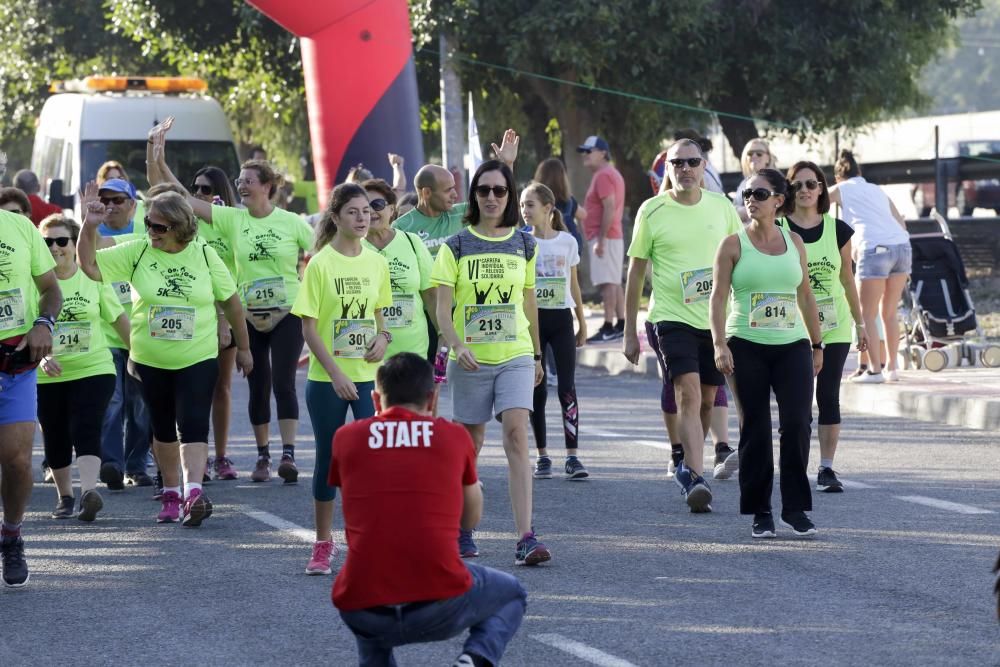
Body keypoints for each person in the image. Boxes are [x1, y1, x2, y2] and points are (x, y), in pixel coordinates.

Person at [331, 353, 527, 667]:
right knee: (512, 593)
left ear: (375, 400)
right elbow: (470, 519)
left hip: (364, 607)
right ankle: (474, 660)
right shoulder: (453, 437)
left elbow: (360, 505)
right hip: (438, 603)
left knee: (367, 604)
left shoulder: (346, 439)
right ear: (432, 399)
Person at [149, 118, 313, 484]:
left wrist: (312, 295)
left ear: (267, 187)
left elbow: (320, 253)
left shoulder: (292, 222)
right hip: (250, 315)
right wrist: (159, 159)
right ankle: (263, 456)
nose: (240, 184)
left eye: (248, 180)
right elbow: (183, 197)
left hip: (287, 312)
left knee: (284, 382)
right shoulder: (232, 220)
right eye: (238, 179)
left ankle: (288, 454)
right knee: (257, 382)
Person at [77, 191, 252, 526]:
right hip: (150, 359)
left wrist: (243, 348)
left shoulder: (204, 254)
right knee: (163, 428)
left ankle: (194, 493)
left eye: (157, 226)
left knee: (194, 425)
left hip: (197, 355)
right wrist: (89, 226)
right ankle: (171, 492)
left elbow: (231, 303)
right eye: (148, 224)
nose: (151, 230)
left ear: (178, 226)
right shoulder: (139, 249)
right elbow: (90, 267)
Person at [432, 159, 550, 566]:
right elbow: (442, 310)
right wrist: (455, 345)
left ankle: (525, 537)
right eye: (484, 190)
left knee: (517, 433)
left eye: (500, 190)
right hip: (470, 361)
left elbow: (529, 302)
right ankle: (464, 527)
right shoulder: (456, 246)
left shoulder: (525, 244)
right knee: (471, 447)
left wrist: (536, 353)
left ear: (511, 195)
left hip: (515, 354)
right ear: (474, 196)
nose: (492, 197)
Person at [623, 139, 742, 513]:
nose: (686, 169)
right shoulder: (652, 210)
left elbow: (742, 257)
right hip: (670, 317)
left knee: (708, 398)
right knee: (688, 394)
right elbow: (636, 271)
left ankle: (689, 466)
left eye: (693, 162)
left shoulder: (722, 208)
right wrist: (629, 331)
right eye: (678, 163)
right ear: (668, 168)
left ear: (704, 166)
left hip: (714, 321)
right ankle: (693, 474)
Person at [710, 168, 824, 539]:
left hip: (792, 345)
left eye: (759, 194)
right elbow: (717, 297)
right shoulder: (732, 244)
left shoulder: (795, 243)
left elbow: (806, 295)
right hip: (746, 343)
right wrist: (719, 343)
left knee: (796, 423)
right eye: (746, 194)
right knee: (755, 427)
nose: (751, 200)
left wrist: (817, 343)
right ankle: (761, 510)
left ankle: (794, 508)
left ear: (778, 200)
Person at [291, 182, 392, 575]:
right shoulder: (320, 263)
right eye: (353, 212)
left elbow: (381, 315)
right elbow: (309, 329)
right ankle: (322, 543)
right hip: (327, 380)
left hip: (367, 377)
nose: (363, 217)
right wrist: (334, 374)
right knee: (329, 460)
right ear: (335, 218)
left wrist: (384, 338)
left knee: (370, 460)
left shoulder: (376, 262)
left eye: (367, 211)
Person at [782, 161, 869, 493]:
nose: (804, 190)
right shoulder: (776, 228)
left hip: (833, 326)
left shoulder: (838, 230)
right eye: (797, 185)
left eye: (811, 183)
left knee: (828, 395)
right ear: (789, 191)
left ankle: (827, 468)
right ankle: (795, 466)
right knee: (798, 402)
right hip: (791, 328)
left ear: (822, 189)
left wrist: (861, 324)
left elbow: (847, 279)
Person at [393, 131, 518, 360]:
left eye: (454, 188)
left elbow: (501, 202)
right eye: (447, 190)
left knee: (465, 374)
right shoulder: (402, 227)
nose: (454, 194)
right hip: (425, 318)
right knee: (433, 381)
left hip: (463, 313)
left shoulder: (461, 213)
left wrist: (507, 164)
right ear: (426, 193)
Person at [36, 215, 129, 521]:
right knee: (55, 431)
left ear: (75, 244)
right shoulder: (32, 283)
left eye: (61, 241)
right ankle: (65, 497)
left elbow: (119, 320)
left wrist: (139, 356)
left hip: (94, 367)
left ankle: (89, 492)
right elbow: (22, 328)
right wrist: (40, 357)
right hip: (47, 372)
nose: (54, 248)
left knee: (86, 424)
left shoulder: (92, 278)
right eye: (47, 242)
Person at [0, 208, 63, 587]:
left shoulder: (19, 226)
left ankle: (11, 534)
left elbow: (51, 289)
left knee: (19, 460)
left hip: (15, 363)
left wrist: (44, 322)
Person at [520, 182, 589, 480]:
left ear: (548, 208)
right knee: (537, 388)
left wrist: (582, 322)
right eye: (522, 205)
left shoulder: (567, 242)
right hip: (532, 321)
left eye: (530, 205)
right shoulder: (522, 242)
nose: (525, 211)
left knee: (566, 388)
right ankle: (542, 455)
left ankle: (573, 457)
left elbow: (573, 284)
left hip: (561, 319)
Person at [828, 150, 911, 384]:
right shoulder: (877, 189)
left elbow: (816, 202)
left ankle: (874, 370)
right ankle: (892, 368)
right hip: (902, 247)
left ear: (837, 177)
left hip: (874, 249)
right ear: (860, 172)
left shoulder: (841, 189)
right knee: (889, 312)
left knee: (865, 314)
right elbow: (901, 222)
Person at [95, 177, 153, 490]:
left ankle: (136, 465)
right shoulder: (89, 234)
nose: (111, 206)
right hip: (107, 333)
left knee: (141, 406)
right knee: (111, 401)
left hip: (143, 334)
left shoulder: (147, 234)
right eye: (105, 200)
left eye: (118, 200)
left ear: (133, 205)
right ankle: (111, 464)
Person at [185, 167, 241, 480]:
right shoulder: (189, 225)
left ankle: (220, 456)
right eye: (196, 188)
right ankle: (198, 457)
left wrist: (225, 320)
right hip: (196, 316)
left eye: (205, 189)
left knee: (222, 387)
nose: (199, 194)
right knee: (195, 389)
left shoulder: (232, 223)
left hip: (228, 313)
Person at [361, 179, 438, 361]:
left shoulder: (413, 242)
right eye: (364, 207)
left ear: (392, 209)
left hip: (413, 352)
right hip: (368, 353)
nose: (371, 211)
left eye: (377, 205)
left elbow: (431, 296)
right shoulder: (353, 249)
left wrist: (443, 334)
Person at [577, 135, 626, 343]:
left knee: (608, 283)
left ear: (602, 153)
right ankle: (620, 324)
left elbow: (609, 207)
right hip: (609, 236)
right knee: (613, 280)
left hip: (605, 236)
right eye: (584, 152)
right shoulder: (608, 173)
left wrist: (601, 239)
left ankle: (608, 326)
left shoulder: (604, 175)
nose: (585, 156)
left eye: (589, 151)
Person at [533, 158, 585, 252]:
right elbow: (583, 215)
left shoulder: (536, 200)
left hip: (541, 247)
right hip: (564, 251)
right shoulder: (568, 201)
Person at [733, 138, 777, 223]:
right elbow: (733, 208)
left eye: (759, 154)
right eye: (750, 153)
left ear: (768, 158)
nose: (754, 156)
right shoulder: (744, 182)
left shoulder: (776, 182)